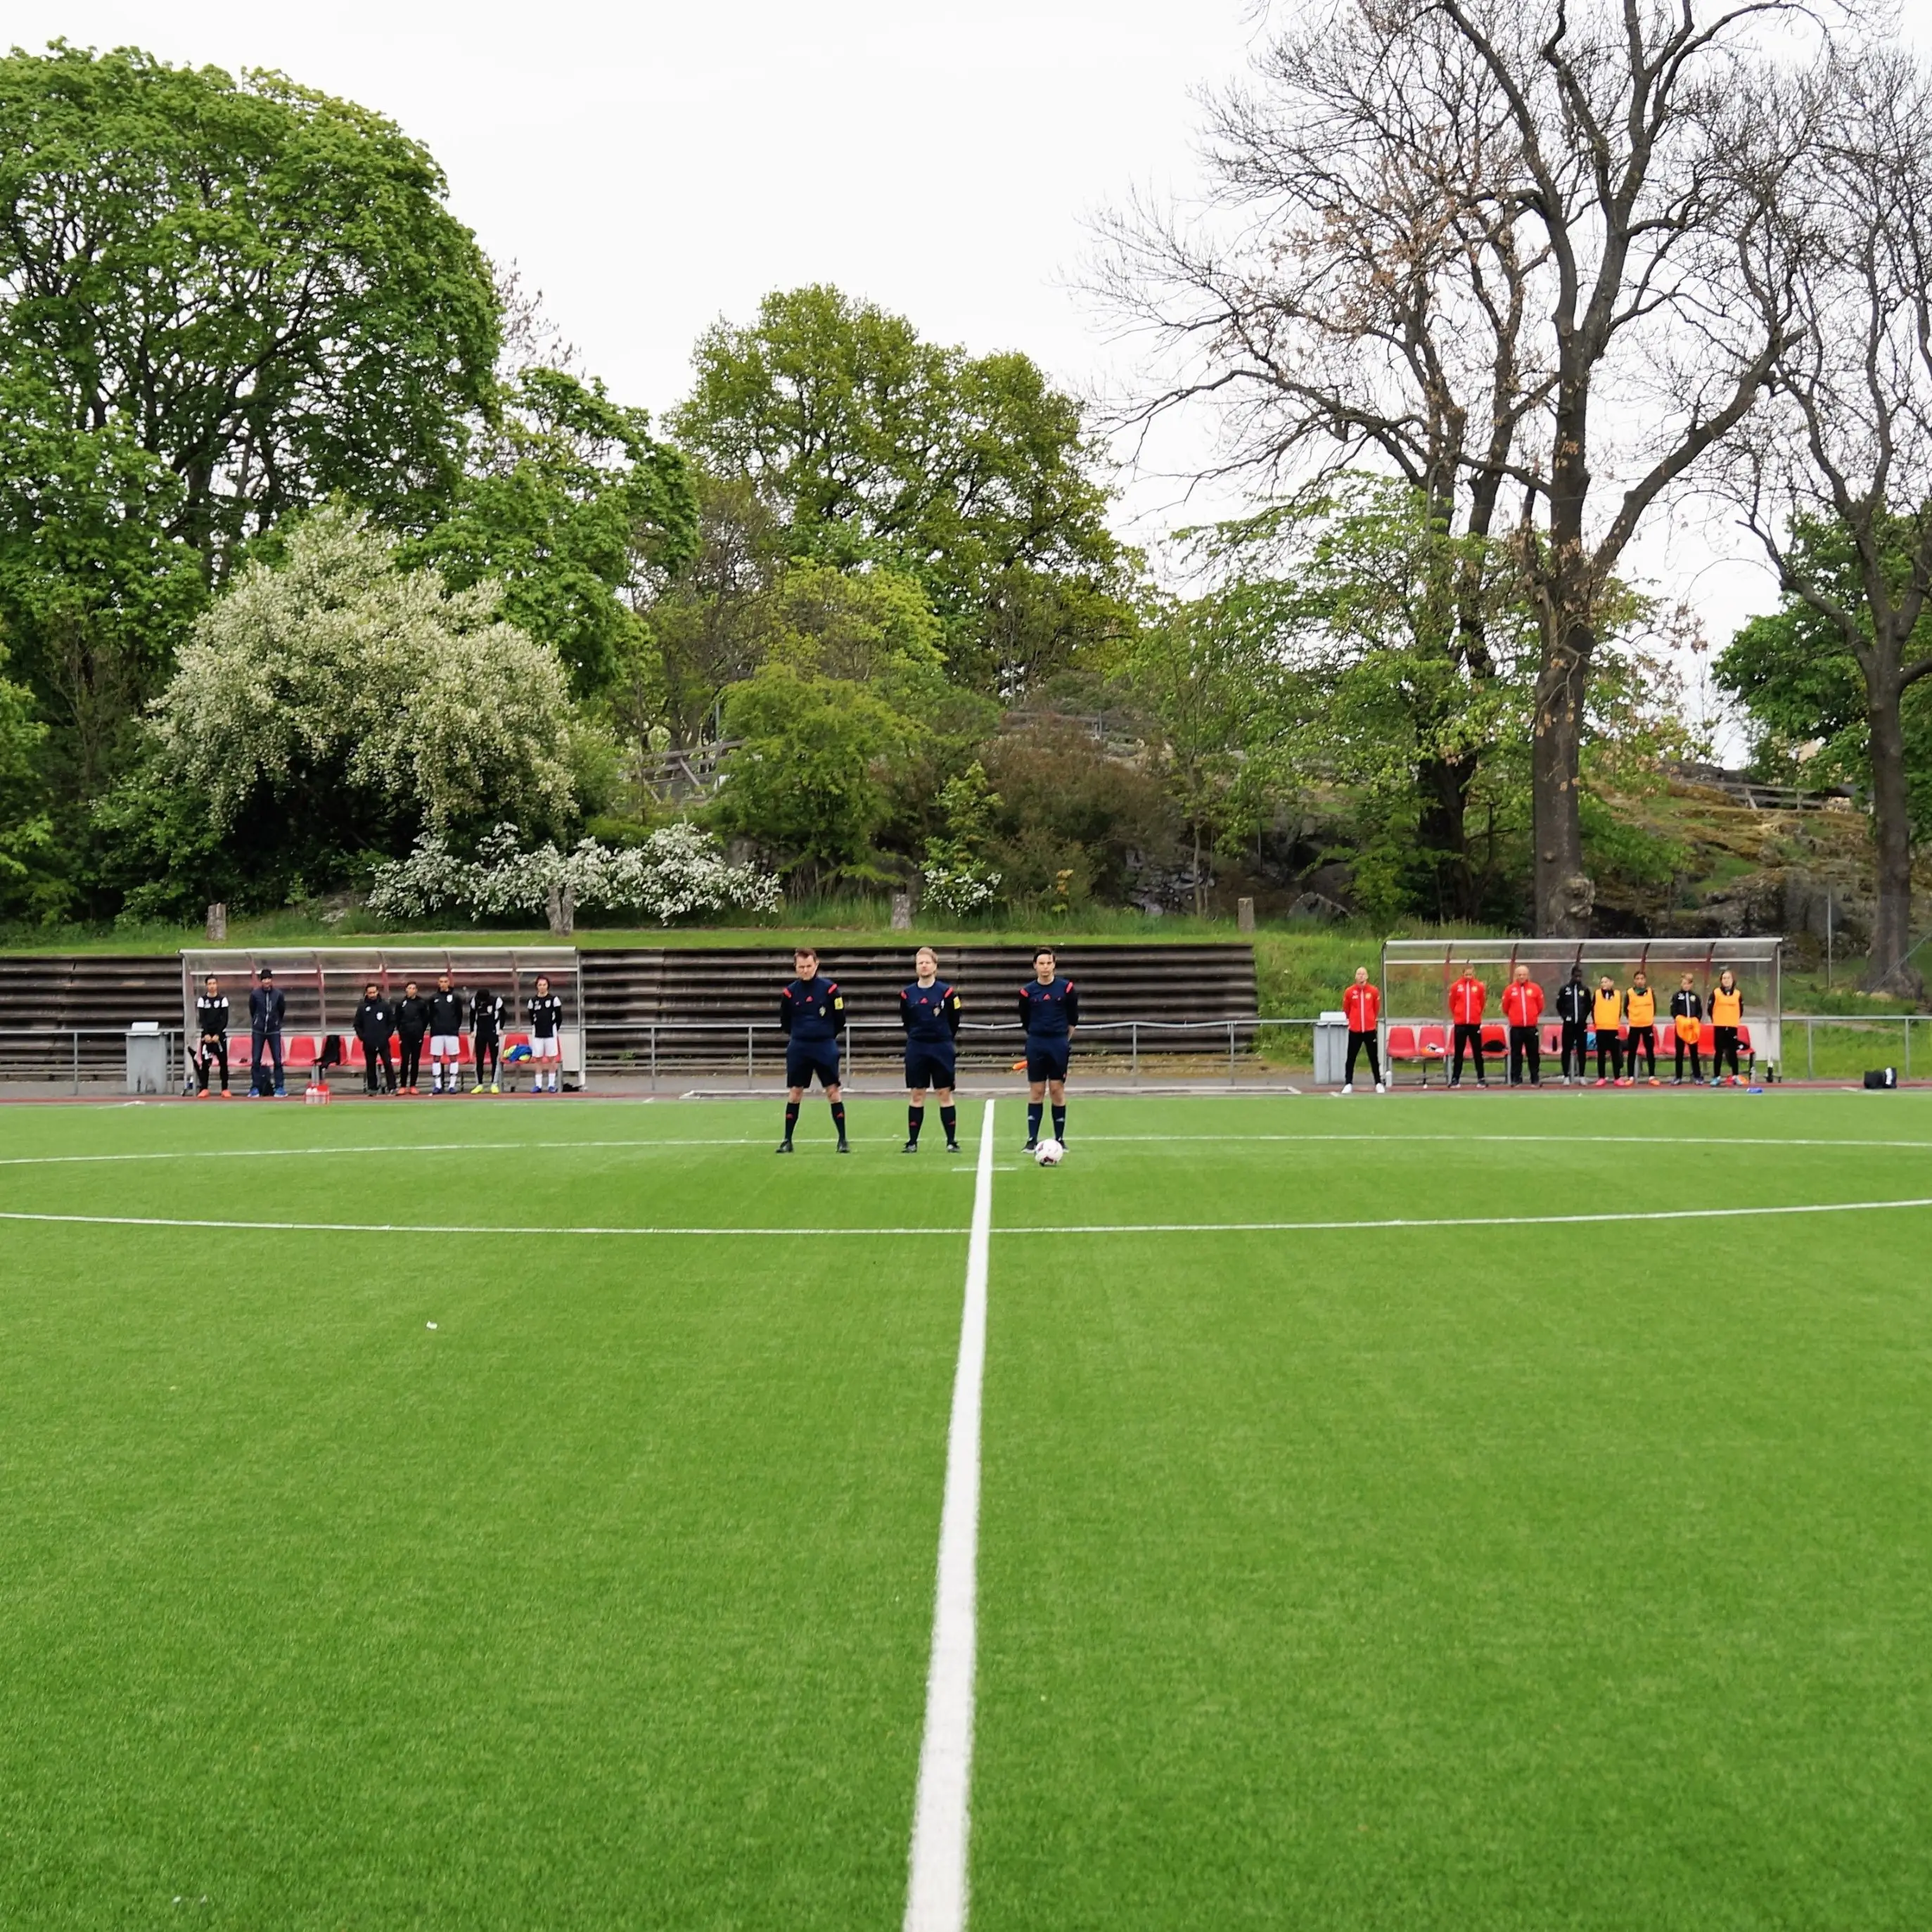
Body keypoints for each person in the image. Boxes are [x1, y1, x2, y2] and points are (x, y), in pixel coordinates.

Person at [777, 947, 847, 1151]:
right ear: (796, 968)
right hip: (799, 1047)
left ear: (816, 965)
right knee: (795, 1092)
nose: (806, 970)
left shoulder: (831, 990)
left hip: (825, 1046)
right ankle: (787, 1140)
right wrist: (801, 1035)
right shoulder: (789, 993)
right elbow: (785, 1022)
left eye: (809, 966)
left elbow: (840, 1020)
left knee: (833, 1092)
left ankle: (842, 1140)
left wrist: (824, 1035)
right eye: (801, 967)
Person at [900, 945, 963, 1152]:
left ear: (935, 966)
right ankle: (912, 1142)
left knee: (944, 1093)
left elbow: (955, 1021)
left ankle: (951, 1142)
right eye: (920, 963)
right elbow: (906, 1022)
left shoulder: (948, 993)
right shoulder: (907, 994)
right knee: (917, 1094)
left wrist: (943, 1037)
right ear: (916, 967)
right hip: (917, 1047)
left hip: (941, 1047)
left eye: (927, 962)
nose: (924, 966)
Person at [1018, 946, 1078, 1149]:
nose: (1045, 967)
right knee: (1036, 1090)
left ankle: (1059, 1138)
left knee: (1056, 1089)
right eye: (1041, 963)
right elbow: (1025, 1020)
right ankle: (1032, 1139)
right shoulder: (1027, 992)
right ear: (1035, 966)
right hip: (1036, 1042)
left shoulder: (1066, 988)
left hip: (1058, 1043)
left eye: (1049, 963)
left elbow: (1073, 1019)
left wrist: (1062, 1040)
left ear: (1054, 964)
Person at [1341, 966, 1383, 1093]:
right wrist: (1353, 1020)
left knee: (1373, 1057)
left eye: (1363, 974)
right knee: (1351, 1057)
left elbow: (1376, 1008)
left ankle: (1378, 1083)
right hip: (1355, 1030)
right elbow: (1346, 1009)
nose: (1361, 976)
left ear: (1367, 976)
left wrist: (1370, 1020)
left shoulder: (1373, 991)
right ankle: (1348, 1083)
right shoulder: (1349, 992)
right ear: (1355, 976)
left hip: (1369, 1030)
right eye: (1359, 974)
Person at [1502, 963, 1545, 1087]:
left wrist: (1532, 1016)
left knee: (1533, 1054)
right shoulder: (1510, 990)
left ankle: (1535, 1078)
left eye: (1524, 974)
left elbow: (1540, 1006)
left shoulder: (1535, 988)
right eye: (1519, 974)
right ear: (1516, 976)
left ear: (1528, 975)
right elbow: (1506, 1007)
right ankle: (1517, 1079)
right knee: (1516, 1054)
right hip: (1516, 1028)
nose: (1522, 977)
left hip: (1531, 1027)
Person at [1447, 964, 1488, 1088]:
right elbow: (1452, 1003)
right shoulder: (1456, 986)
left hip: (1474, 1024)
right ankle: (1455, 1079)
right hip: (1460, 1024)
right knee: (1459, 1052)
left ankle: (1481, 1078)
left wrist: (1475, 1015)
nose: (1468, 977)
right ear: (1463, 974)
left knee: (1477, 1052)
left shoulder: (1479, 986)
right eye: (1466, 974)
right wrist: (1459, 1015)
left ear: (1474, 974)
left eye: (1471, 974)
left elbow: (1482, 1002)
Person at [248, 967, 286, 1098]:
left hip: (274, 1030)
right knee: (256, 1059)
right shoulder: (255, 994)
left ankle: (280, 1087)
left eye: (268, 979)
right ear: (261, 981)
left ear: (271, 980)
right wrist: (257, 1021)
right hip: (258, 1030)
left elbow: (281, 1010)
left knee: (277, 1059)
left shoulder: (278, 994)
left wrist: (276, 1022)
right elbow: (253, 1010)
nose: (266, 981)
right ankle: (255, 1088)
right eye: (264, 979)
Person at [353, 982, 395, 1095]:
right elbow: (357, 1024)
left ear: (377, 992)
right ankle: (372, 1088)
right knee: (370, 1065)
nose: (372, 995)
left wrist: (387, 1035)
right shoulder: (362, 1008)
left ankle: (392, 1087)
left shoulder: (385, 1006)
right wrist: (363, 1037)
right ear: (366, 994)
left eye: (374, 992)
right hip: (369, 1042)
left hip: (383, 1042)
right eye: (370, 993)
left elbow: (392, 1022)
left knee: (387, 1064)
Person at [427, 973, 466, 1095]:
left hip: (451, 1032)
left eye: (445, 981)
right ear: (438, 983)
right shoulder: (433, 998)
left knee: (453, 1057)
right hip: (437, 1032)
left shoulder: (456, 997)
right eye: (441, 981)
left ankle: (452, 1085)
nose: (443, 984)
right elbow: (431, 1015)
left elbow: (459, 1014)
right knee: (436, 1058)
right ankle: (438, 1085)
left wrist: (454, 1026)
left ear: (449, 983)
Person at [194, 974, 231, 1098]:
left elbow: (224, 1019)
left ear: (217, 985)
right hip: (207, 1037)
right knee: (205, 1063)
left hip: (219, 1037)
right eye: (209, 984)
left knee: (223, 1063)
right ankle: (204, 1088)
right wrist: (206, 1035)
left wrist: (218, 1035)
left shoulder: (223, 1000)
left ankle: (225, 1088)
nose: (212, 986)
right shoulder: (202, 1000)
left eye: (214, 983)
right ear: (206, 986)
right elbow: (202, 1019)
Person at [1554, 965, 1592, 1085]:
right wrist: (1566, 1017)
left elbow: (1588, 1006)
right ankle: (1566, 1076)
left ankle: (1582, 1075)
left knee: (1582, 1050)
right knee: (1566, 1050)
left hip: (1581, 1025)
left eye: (1580, 976)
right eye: (1576, 976)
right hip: (1569, 1025)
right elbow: (1559, 1005)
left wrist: (1583, 1017)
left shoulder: (1585, 990)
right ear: (1572, 976)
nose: (1578, 978)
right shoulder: (1565, 989)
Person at [527, 974, 565, 1093]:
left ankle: (551, 1084)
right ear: (537, 986)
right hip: (537, 1033)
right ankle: (538, 1085)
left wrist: (555, 1028)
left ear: (548, 986)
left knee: (552, 1059)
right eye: (540, 985)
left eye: (544, 985)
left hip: (551, 1032)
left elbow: (559, 1017)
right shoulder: (532, 1001)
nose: (542, 987)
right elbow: (531, 1016)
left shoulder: (554, 1000)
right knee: (538, 1059)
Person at [1623, 969, 1659, 1086]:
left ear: (1645, 980)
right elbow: (1625, 1009)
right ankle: (1631, 1077)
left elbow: (1654, 1008)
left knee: (1650, 1051)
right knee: (1632, 1051)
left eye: (1642, 979)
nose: (1640, 981)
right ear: (1634, 981)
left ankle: (1652, 1076)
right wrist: (1634, 1018)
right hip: (1635, 1026)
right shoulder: (1630, 993)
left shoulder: (1650, 992)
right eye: (1637, 979)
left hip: (1648, 1026)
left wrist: (1647, 1018)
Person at [394, 980, 430, 1094]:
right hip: (405, 1035)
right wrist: (401, 1031)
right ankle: (403, 1085)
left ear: (416, 990)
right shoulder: (401, 1003)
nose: (412, 990)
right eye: (410, 988)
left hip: (417, 1035)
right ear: (406, 990)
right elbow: (397, 1019)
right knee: (405, 1060)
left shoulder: (422, 1003)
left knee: (415, 1060)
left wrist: (420, 1030)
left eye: (414, 988)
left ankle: (413, 1085)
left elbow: (426, 1019)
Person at [1710, 968, 1744, 1085]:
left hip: (1732, 1027)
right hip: (1719, 1026)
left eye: (1728, 978)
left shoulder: (1738, 994)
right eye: (1724, 978)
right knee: (1719, 1052)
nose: (1726, 980)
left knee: (1733, 1052)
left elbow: (1741, 1010)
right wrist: (1717, 1019)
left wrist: (1732, 1020)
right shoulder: (1716, 993)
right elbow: (1710, 1009)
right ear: (1721, 980)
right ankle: (1717, 1077)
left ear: (1733, 980)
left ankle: (1735, 1076)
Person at [1670, 973, 1705, 1085]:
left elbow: (1700, 1011)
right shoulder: (1677, 996)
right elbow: (1674, 1012)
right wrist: (1681, 1021)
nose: (1685, 985)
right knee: (1679, 1053)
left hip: (1692, 1029)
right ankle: (1678, 1076)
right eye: (1683, 983)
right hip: (1681, 1029)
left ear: (1691, 984)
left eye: (1687, 983)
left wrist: (1695, 1021)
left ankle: (1697, 1076)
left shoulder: (1695, 997)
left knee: (1694, 1053)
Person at [471, 984, 505, 1093]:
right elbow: (472, 1015)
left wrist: (501, 1028)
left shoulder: (496, 1001)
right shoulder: (475, 1001)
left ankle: (494, 1084)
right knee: (479, 1059)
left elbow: (503, 1014)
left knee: (494, 1058)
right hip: (480, 1033)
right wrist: (472, 1030)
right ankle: (479, 1084)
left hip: (493, 1032)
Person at [1591, 974, 1624, 1087]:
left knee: (1615, 1054)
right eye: (1602, 982)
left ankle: (1617, 1077)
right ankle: (1601, 1077)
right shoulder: (1597, 994)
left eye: (1606, 982)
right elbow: (1593, 1009)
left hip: (1613, 1028)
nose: (1604, 984)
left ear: (1611, 982)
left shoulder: (1618, 994)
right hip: (1601, 1028)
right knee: (1601, 1054)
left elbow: (1619, 1010)